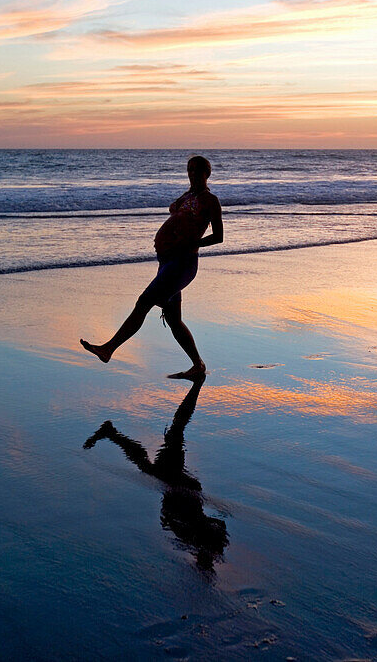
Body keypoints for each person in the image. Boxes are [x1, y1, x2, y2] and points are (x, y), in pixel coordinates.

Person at [81, 155, 223, 380]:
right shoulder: (187, 196)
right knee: (174, 320)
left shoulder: (211, 201)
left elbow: (218, 236)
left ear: (207, 172)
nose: (193, 173)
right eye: (189, 170)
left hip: (183, 263)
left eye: (197, 170)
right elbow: (174, 208)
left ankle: (108, 349)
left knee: (143, 302)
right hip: (167, 263)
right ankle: (198, 365)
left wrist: (191, 241)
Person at [82, 375, 228, 575]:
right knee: (173, 435)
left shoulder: (206, 541)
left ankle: (111, 433)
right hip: (179, 485)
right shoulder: (199, 540)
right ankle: (196, 386)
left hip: (182, 486)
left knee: (164, 445)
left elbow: (211, 522)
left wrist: (174, 516)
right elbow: (172, 519)